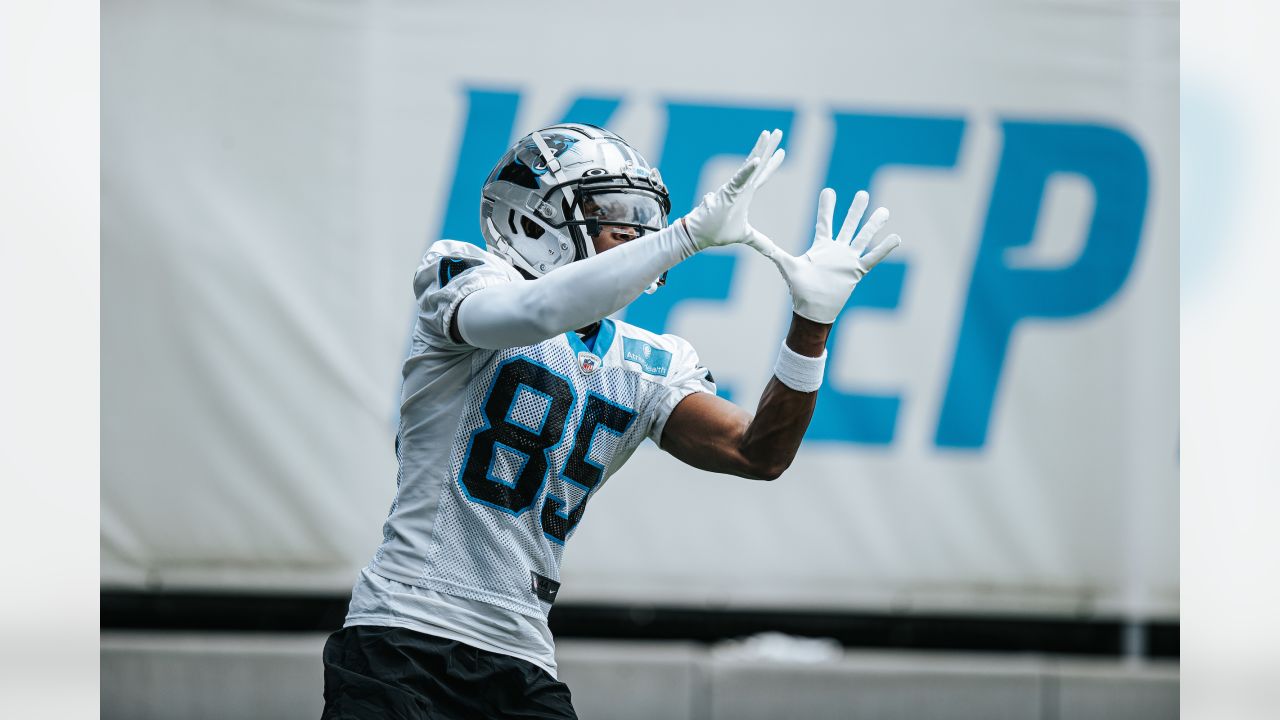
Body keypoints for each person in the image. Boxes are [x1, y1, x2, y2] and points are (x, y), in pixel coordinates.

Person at [321, 124, 901, 719]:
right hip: (405, 630)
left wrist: (812, 323)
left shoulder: (653, 359)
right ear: (530, 217)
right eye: (609, 211)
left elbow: (760, 454)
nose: (633, 230)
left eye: (644, 216)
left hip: (521, 653)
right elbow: (536, 310)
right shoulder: (464, 273)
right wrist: (682, 238)